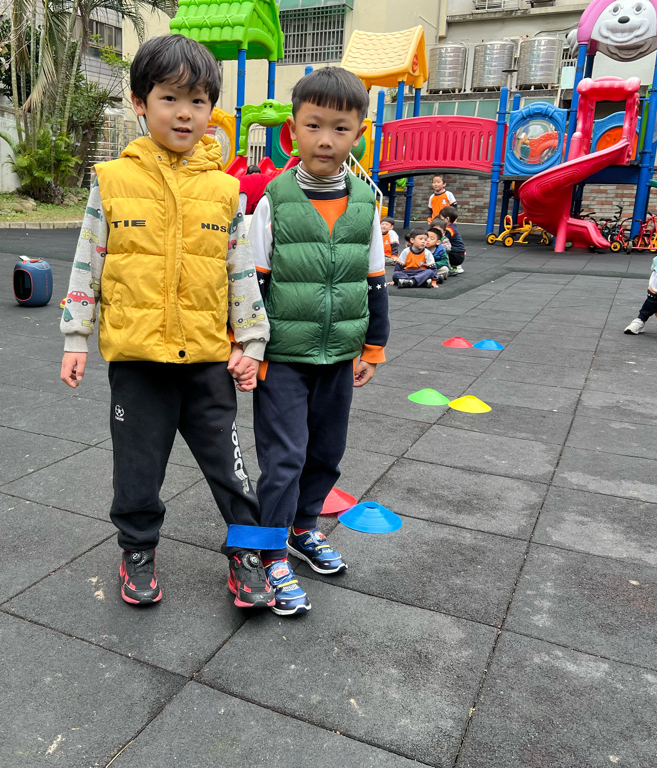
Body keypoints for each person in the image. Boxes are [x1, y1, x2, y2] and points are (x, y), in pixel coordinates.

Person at [60, 34, 286, 609]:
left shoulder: (225, 191)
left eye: (198, 101)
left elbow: (240, 272)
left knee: (231, 469)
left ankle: (248, 554)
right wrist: (76, 336)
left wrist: (252, 342)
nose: (185, 113)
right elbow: (89, 259)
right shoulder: (112, 180)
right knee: (137, 469)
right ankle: (137, 550)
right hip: (138, 361)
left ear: (212, 110)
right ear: (140, 102)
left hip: (207, 360)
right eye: (170, 98)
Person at [248, 66, 389, 615]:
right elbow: (254, 281)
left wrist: (372, 347)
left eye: (340, 128)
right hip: (282, 356)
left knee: (327, 451)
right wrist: (250, 346)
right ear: (293, 130)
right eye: (313, 125)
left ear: (359, 134)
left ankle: (303, 527)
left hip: (338, 356)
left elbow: (374, 280)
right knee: (284, 456)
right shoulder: (274, 200)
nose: (325, 139)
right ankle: (269, 551)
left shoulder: (365, 204)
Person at [442, 206, 466, 274]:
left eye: (441, 218)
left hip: (456, 255)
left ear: (447, 219)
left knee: (442, 248)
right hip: (460, 253)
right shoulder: (453, 227)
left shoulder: (448, 230)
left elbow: (442, 240)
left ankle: (451, 266)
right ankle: (456, 266)